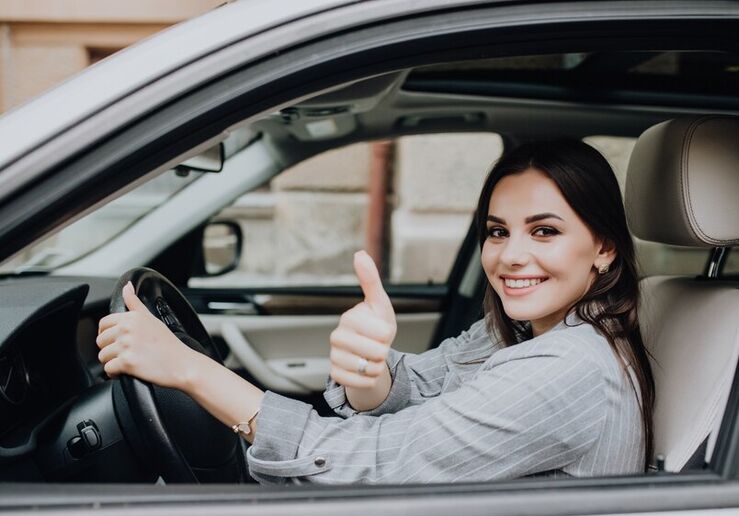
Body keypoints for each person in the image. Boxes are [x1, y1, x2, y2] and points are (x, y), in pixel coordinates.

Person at [96, 139, 655, 485]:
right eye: (497, 232)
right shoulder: (520, 331)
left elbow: (371, 463)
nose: (511, 256)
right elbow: (423, 384)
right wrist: (372, 376)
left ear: (603, 247)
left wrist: (191, 371)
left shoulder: (567, 368)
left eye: (545, 231)